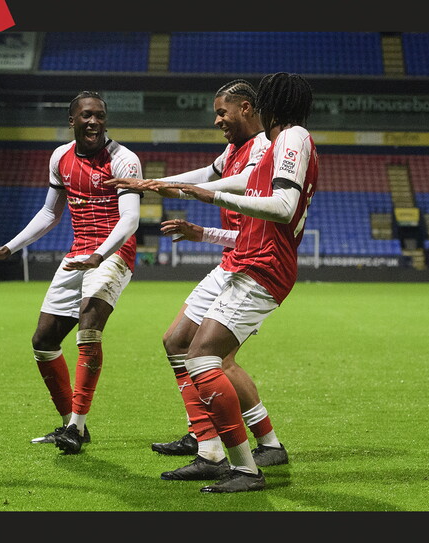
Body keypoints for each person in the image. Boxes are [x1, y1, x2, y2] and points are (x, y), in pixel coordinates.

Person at [110, 72, 317, 492]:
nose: (218, 120)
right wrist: (165, 187)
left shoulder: (289, 139)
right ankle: (217, 448)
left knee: (208, 359)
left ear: (262, 105)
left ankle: (241, 465)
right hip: (245, 261)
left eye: (224, 111)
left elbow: (281, 205)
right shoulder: (270, 145)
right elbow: (222, 182)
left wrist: (205, 196)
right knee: (188, 348)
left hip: (261, 266)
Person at [0, 91, 143, 455]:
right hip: (78, 254)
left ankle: (76, 427)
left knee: (88, 327)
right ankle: (69, 424)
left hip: (112, 253)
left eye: (100, 116)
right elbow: (50, 213)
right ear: (72, 120)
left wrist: (100, 255)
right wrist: (8, 248)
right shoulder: (60, 157)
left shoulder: (124, 160)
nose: (94, 122)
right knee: (43, 340)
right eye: (87, 115)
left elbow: (130, 218)